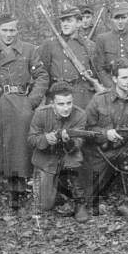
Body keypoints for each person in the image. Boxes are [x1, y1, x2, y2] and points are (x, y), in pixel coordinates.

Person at [0, 13, 48, 212]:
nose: (8, 34)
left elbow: (41, 76)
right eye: (4, 30)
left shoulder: (29, 50)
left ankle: (17, 191)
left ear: (17, 30)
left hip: (20, 104)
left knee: (19, 148)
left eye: (12, 30)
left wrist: (31, 102)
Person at [83, 58, 128, 221]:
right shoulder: (99, 99)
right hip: (100, 152)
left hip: (125, 149)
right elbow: (85, 129)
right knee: (89, 196)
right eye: (124, 78)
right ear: (115, 78)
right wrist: (105, 133)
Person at [28, 81, 89, 222]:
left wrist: (69, 141)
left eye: (69, 103)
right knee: (44, 205)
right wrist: (45, 139)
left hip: (68, 159)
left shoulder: (80, 115)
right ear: (52, 103)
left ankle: (79, 201)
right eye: (61, 104)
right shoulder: (40, 113)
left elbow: (79, 142)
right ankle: (59, 193)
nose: (66, 108)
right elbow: (31, 139)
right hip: (46, 160)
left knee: (75, 164)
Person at [40, 6, 99, 109]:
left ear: (79, 23)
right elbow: (44, 74)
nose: (65, 24)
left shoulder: (89, 46)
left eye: (69, 21)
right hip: (57, 95)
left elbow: (97, 73)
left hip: (82, 97)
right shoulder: (49, 44)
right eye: (63, 21)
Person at [94, 2, 128, 89]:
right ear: (111, 19)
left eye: (123, 18)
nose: (120, 21)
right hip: (110, 89)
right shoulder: (102, 39)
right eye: (116, 18)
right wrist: (111, 86)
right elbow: (99, 68)